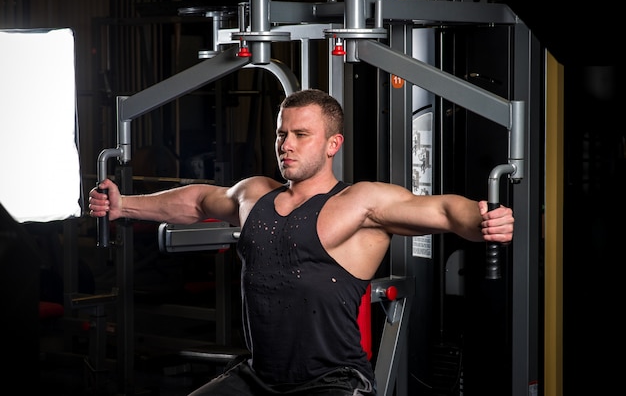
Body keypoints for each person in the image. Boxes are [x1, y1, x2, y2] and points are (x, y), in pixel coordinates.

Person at [89, 88, 514, 396]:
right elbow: (198, 200)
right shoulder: (255, 194)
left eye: (300, 135)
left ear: (333, 144)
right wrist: (124, 204)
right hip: (259, 377)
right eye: (281, 134)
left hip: (330, 382)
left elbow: (441, 210)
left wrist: (482, 222)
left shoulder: (358, 203)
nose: (285, 145)